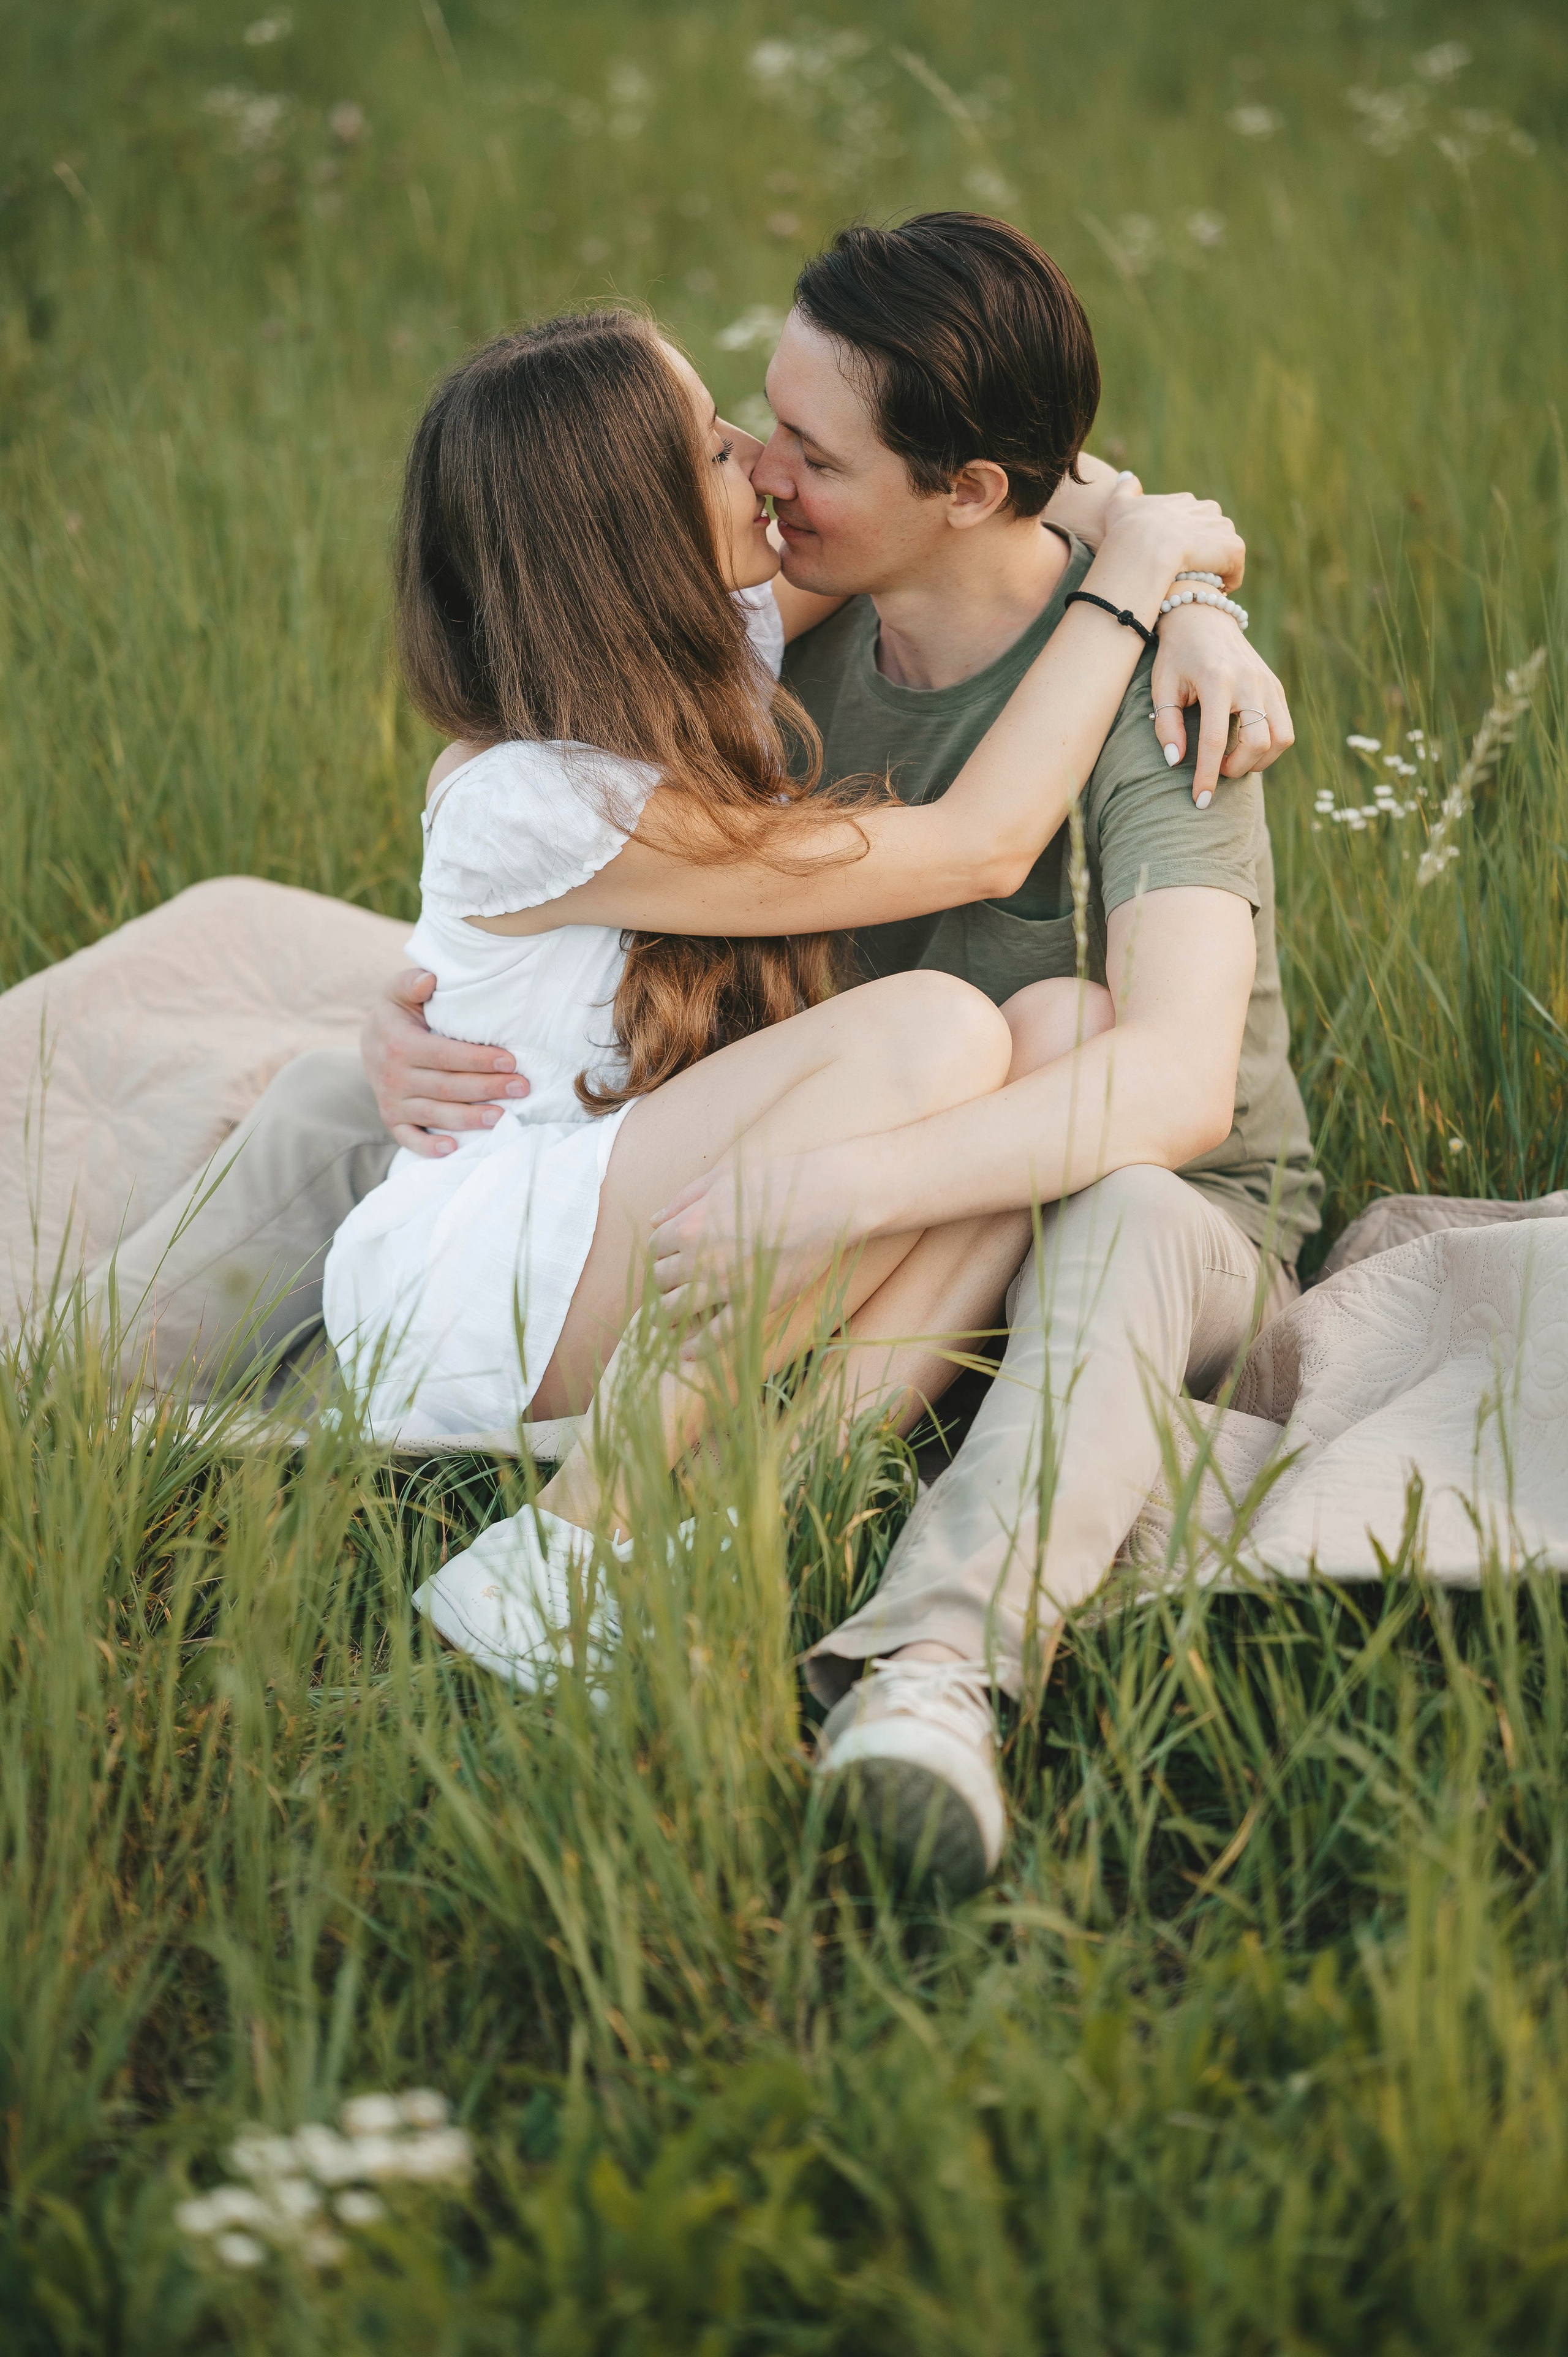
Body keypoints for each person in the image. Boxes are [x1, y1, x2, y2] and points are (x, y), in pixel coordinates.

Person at [95, 214, 1315, 1898]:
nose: (763, 473)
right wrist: (419, 997)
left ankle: (899, 1655)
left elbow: (1173, 1087)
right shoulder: (778, 626)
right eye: (741, 435)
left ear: (962, 489)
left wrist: (1173, 587)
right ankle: (648, 1545)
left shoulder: (1151, 713)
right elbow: (908, 826)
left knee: (1069, 1078)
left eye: (801, 451)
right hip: (751, 1185)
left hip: (1114, 1178)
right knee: (983, 1034)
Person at [316, 300, 1242, 1687]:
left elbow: (1009, 489)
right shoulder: (537, 799)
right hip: (475, 1287)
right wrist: (1138, 580)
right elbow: (987, 839)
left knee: (1065, 1037)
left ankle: (750, 1511)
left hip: (604, 1199)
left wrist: (1194, 599)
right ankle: (571, 1544)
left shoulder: (714, 640)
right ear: (627, 535)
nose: (758, 462)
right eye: (712, 448)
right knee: (937, 1027)